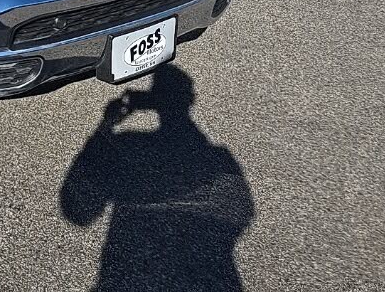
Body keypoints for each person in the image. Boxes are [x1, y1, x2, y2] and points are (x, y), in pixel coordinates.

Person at [61, 65, 255, 291]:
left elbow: (80, 213)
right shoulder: (220, 159)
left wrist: (106, 124)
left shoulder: (129, 145)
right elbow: (242, 213)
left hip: (128, 277)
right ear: (190, 99)